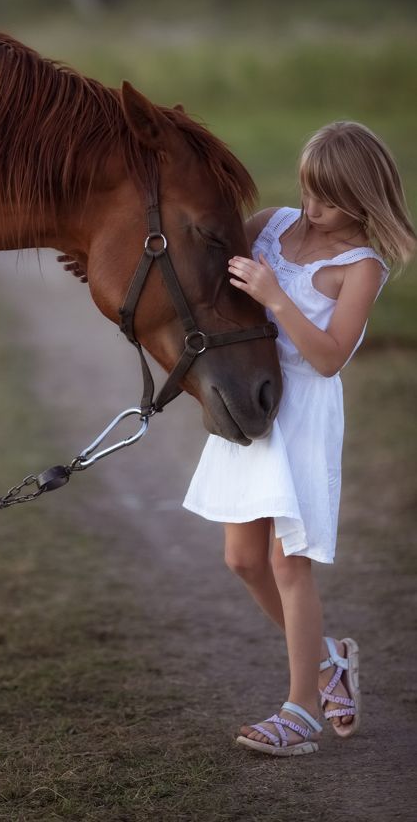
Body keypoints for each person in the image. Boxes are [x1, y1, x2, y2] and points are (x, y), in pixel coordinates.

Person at [182, 121, 415, 755]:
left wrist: (277, 297)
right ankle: (329, 658)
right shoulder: (271, 224)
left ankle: (301, 710)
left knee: (290, 564)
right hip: (252, 401)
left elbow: (330, 357)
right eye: (309, 191)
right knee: (242, 560)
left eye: (330, 200)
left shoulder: (360, 266)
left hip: (303, 413)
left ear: (365, 199)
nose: (313, 210)